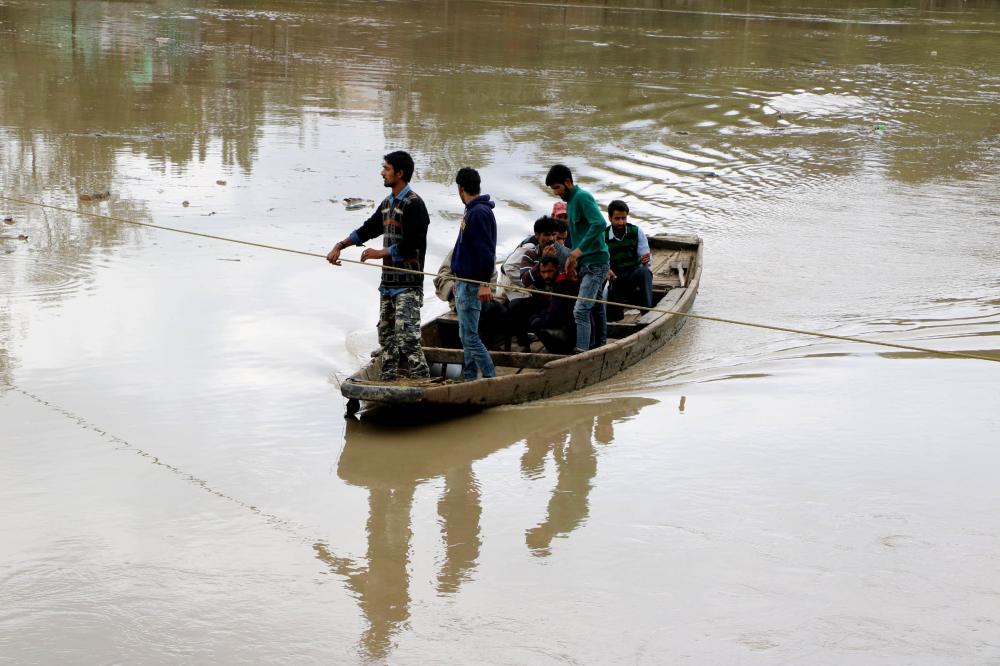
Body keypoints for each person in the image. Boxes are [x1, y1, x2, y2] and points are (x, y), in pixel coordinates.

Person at [326, 151, 430, 381]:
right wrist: (340, 245)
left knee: (408, 339)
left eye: (386, 168)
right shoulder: (388, 203)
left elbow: (413, 244)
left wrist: (380, 252)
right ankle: (388, 382)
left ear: (399, 173)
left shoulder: (415, 204)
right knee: (387, 339)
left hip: (409, 284)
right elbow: (369, 229)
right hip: (388, 284)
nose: (382, 172)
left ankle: (424, 384)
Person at [544, 164, 610, 352]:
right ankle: (600, 344)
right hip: (586, 263)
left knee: (580, 310)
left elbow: (599, 223)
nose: (556, 192)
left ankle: (582, 353)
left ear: (567, 182)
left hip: (596, 264)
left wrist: (576, 252)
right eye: (553, 189)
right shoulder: (571, 202)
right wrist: (571, 258)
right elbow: (580, 236)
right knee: (596, 307)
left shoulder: (582, 197)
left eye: (557, 188)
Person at [449, 167, 498, 380]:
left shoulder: (478, 213)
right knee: (465, 335)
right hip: (463, 282)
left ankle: (490, 378)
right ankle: (470, 377)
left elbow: (485, 251)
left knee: (469, 337)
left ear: (461, 189)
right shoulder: (473, 210)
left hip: (471, 284)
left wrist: (484, 283)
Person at [498, 215, 569, 351]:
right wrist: (543, 260)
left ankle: (558, 349)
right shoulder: (530, 254)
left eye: (554, 235)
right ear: (537, 235)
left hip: (557, 299)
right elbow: (525, 280)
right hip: (539, 299)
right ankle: (522, 345)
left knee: (542, 320)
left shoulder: (563, 254)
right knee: (514, 306)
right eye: (546, 235)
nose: (551, 239)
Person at [604, 199, 654, 322]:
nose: (621, 222)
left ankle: (647, 313)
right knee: (612, 311)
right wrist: (607, 270)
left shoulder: (636, 232)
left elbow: (646, 256)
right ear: (610, 218)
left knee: (645, 272)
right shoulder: (602, 236)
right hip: (615, 277)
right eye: (617, 219)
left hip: (633, 274)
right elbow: (600, 261)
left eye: (624, 218)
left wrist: (646, 259)